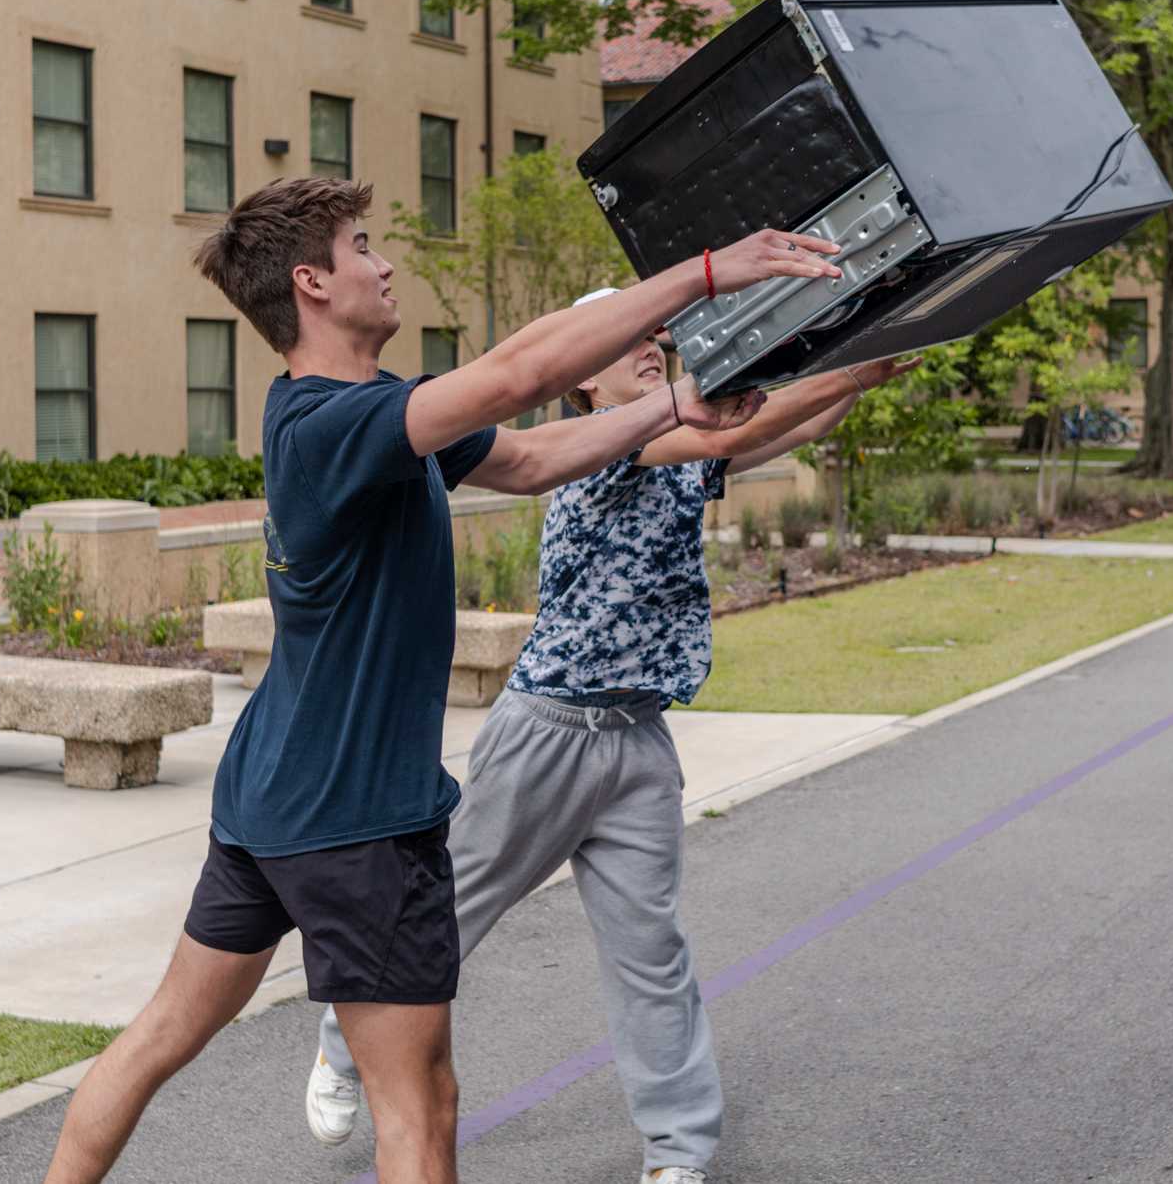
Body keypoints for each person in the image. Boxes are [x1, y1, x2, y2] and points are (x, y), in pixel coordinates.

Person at [40, 177, 841, 1184]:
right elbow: (516, 375)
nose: (384, 263)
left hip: (269, 797)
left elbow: (537, 452)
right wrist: (711, 272)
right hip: (359, 822)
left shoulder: (364, 418)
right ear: (312, 283)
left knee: (161, 1034)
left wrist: (675, 404)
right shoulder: (338, 427)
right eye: (362, 247)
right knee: (419, 1105)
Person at [305, 285, 915, 1184]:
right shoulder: (610, 449)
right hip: (546, 730)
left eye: (659, 334)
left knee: (652, 951)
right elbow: (735, 433)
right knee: (447, 915)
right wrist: (852, 367)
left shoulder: (679, 451)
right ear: (584, 381)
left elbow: (783, 433)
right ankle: (339, 1035)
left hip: (636, 739)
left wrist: (869, 370)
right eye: (632, 334)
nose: (654, 343)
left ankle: (677, 1151)